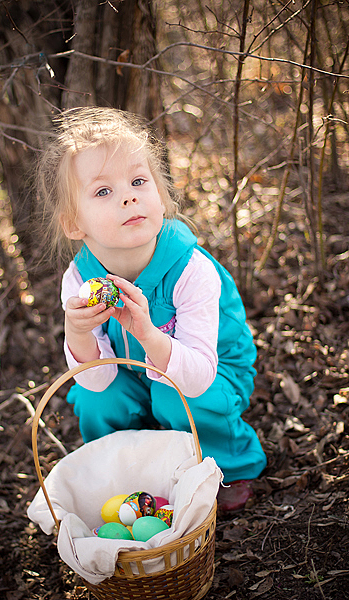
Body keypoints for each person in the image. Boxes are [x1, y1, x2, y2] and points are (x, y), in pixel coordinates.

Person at [36, 106, 267, 512]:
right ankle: (129, 466)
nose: (129, 196)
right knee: (97, 401)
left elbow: (197, 376)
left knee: (175, 397)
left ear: (160, 197)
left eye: (139, 182)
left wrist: (147, 332)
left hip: (211, 374)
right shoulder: (79, 280)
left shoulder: (191, 269)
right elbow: (96, 380)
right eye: (103, 191)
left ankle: (228, 465)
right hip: (133, 372)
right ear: (74, 223)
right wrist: (78, 331)